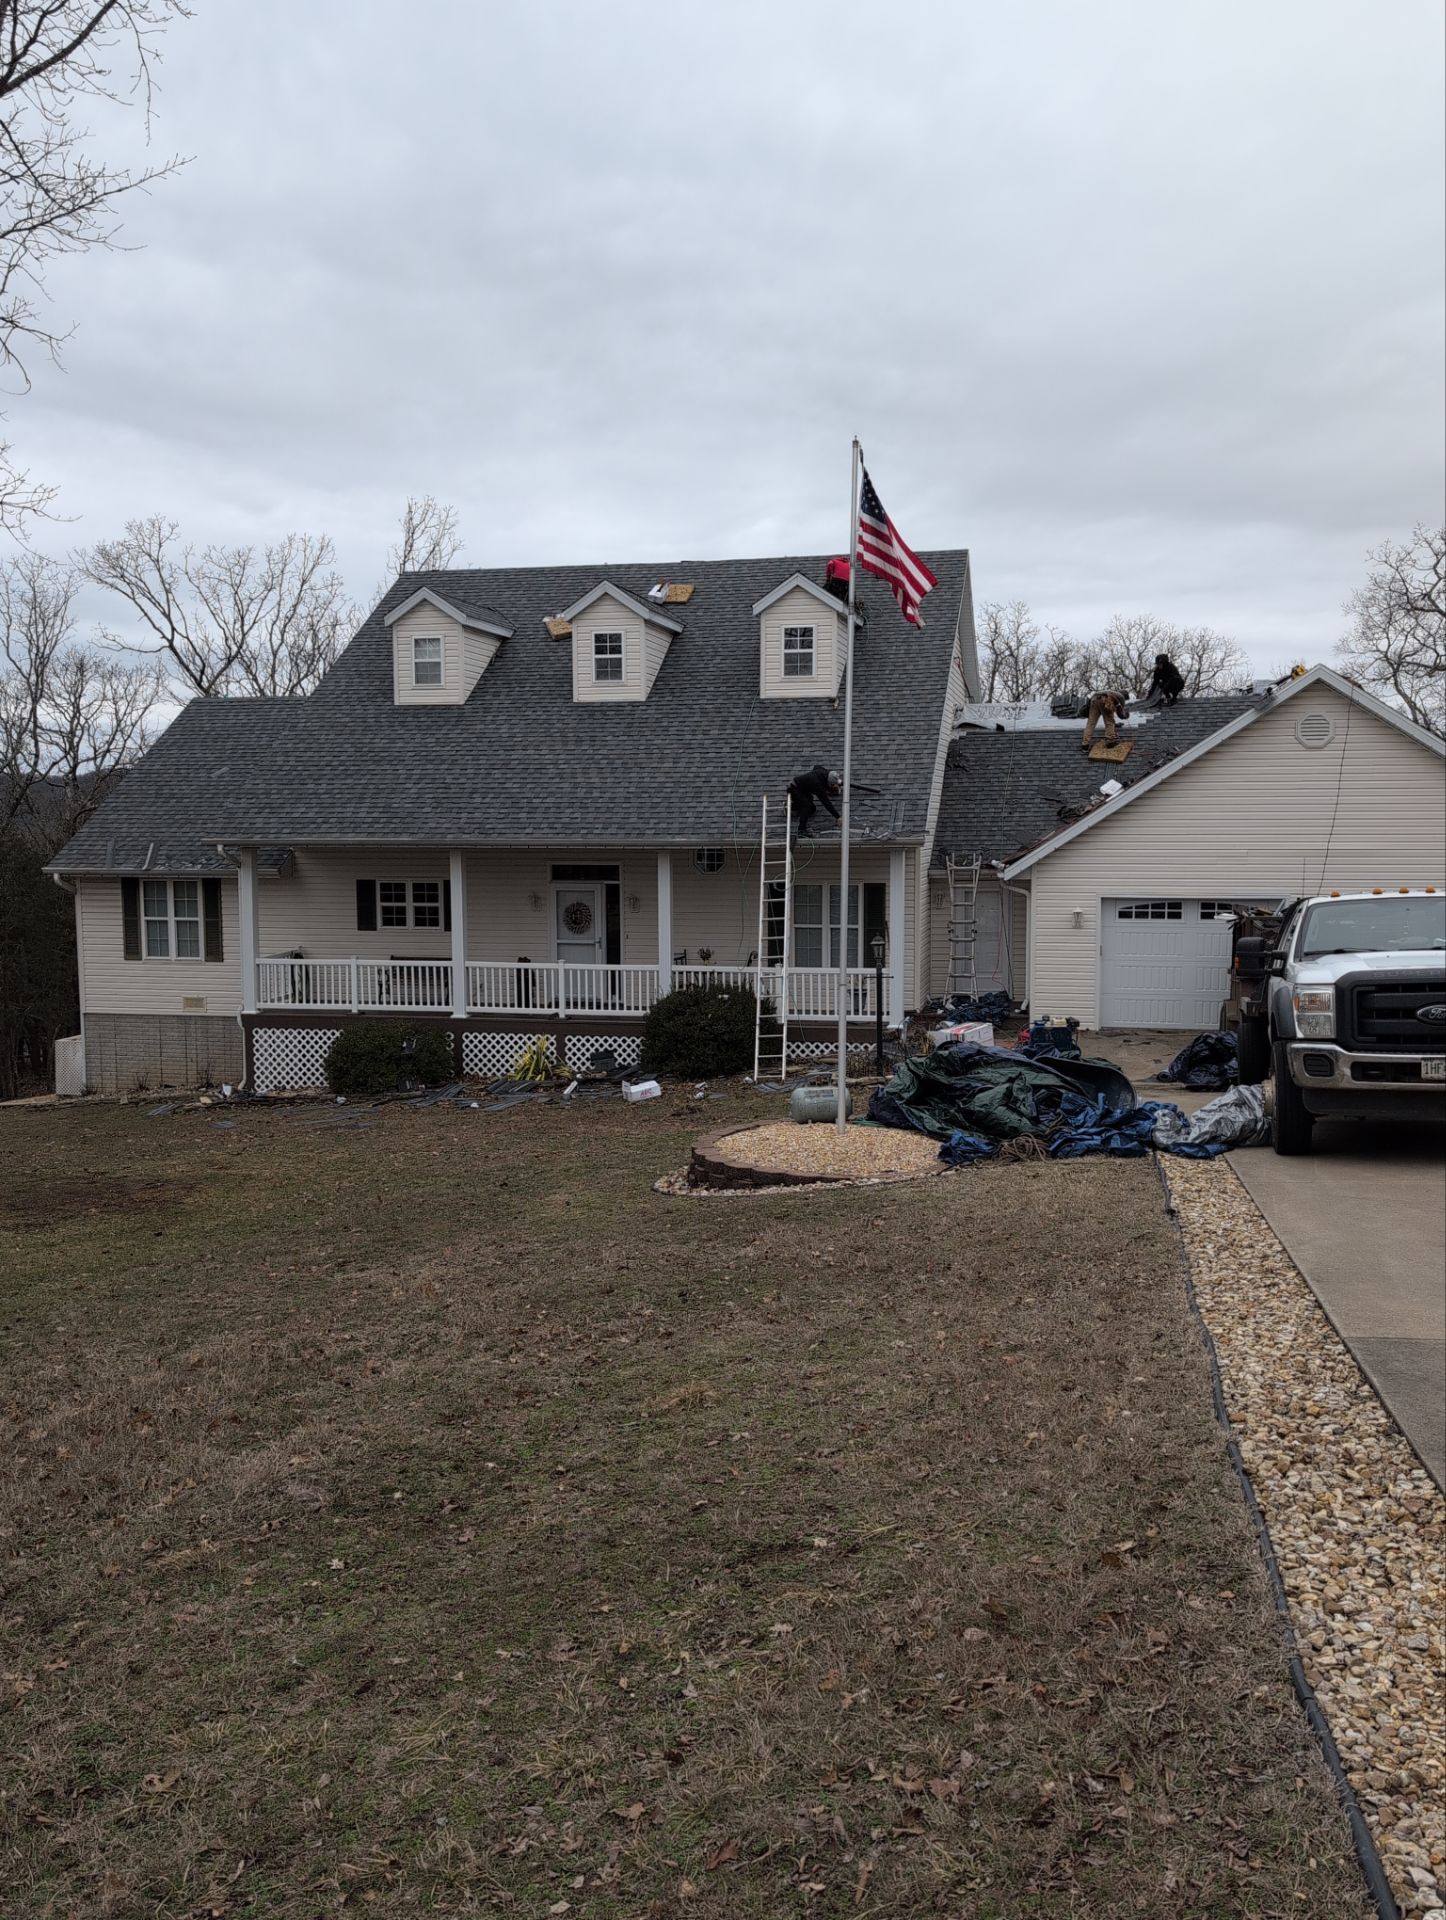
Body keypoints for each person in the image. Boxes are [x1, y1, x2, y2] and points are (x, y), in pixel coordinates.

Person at [787, 765, 842, 841]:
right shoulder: (817, 785)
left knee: (812, 809)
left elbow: (816, 767)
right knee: (807, 806)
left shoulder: (825, 772)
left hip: (802, 789)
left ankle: (792, 807)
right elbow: (826, 802)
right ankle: (801, 830)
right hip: (794, 789)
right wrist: (838, 817)